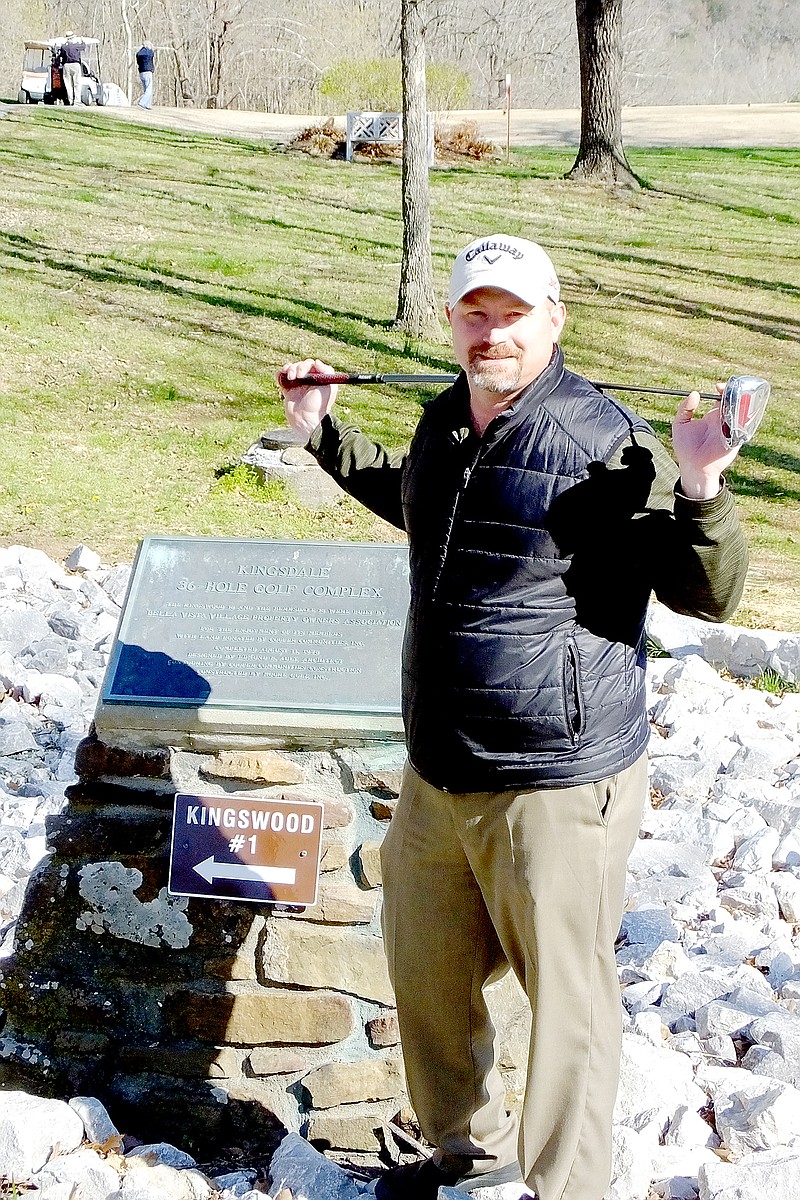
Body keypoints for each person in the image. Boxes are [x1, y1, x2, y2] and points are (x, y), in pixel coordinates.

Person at [278, 235, 748, 1200]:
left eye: (513, 314)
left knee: (569, 1008)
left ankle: (567, 1191)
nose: (492, 332)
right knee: (429, 988)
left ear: (554, 319)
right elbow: (426, 507)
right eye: (475, 314)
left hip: (557, 779)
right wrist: (326, 433)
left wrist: (702, 487)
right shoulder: (446, 420)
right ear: (451, 322)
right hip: (439, 770)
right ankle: (471, 1160)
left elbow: (710, 594)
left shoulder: (603, 446)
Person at [59, 32, 86, 107]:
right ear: (73, 38)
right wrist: (82, 40)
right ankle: (77, 101)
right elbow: (83, 46)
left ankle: (70, 100)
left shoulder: (64, 47)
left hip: (66, 65)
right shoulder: (76, 45)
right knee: (77, 83)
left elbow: (61, 55)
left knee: (68, 84)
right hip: (75, 64)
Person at [135, 42, 155, 109]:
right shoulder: (150, 52)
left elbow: (138, 62)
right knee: (149, 89)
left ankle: (147, 105)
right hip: (148, 71)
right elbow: (151, 58)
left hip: (141, 72)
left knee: (145, 89)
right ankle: (142, 103)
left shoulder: (139, 53)